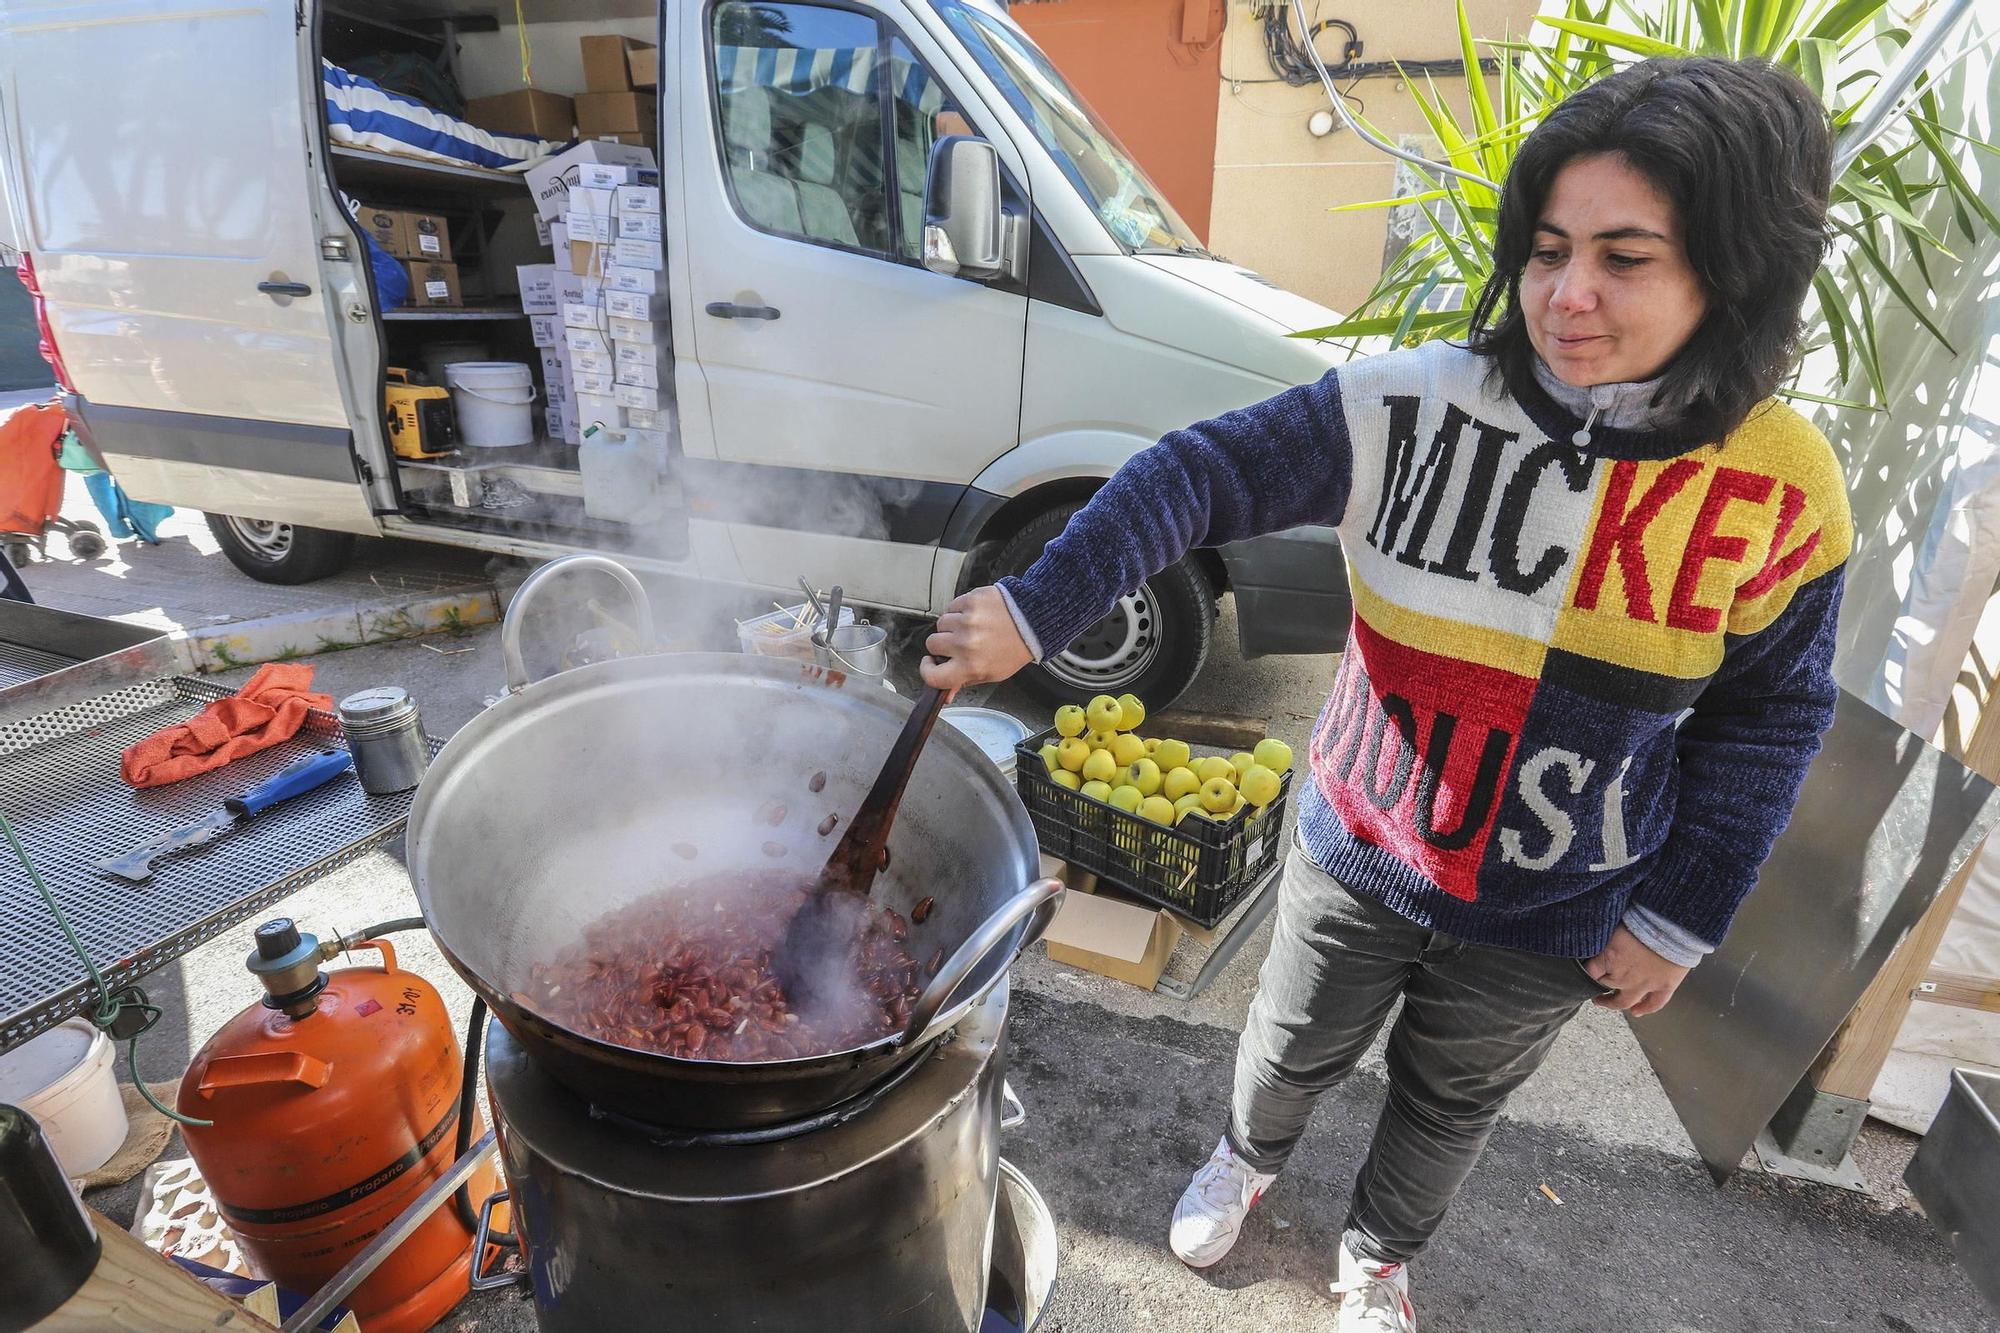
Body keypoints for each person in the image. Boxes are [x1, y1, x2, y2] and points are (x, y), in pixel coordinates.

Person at [923, 56, 1845, 1332]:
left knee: (1449, 1102)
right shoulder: (1410, 403)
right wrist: (1035, 607)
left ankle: (1375, 1252)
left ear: (1729, 273)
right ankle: (1245, 1163)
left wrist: (1681, 916)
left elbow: (1771, 716)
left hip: (1560, 899)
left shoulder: (1783, 486)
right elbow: (1199, 474)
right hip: (1359, 843)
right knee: (1285, 1047)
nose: (1565, 296)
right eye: (1544, 249)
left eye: (1623, 258)